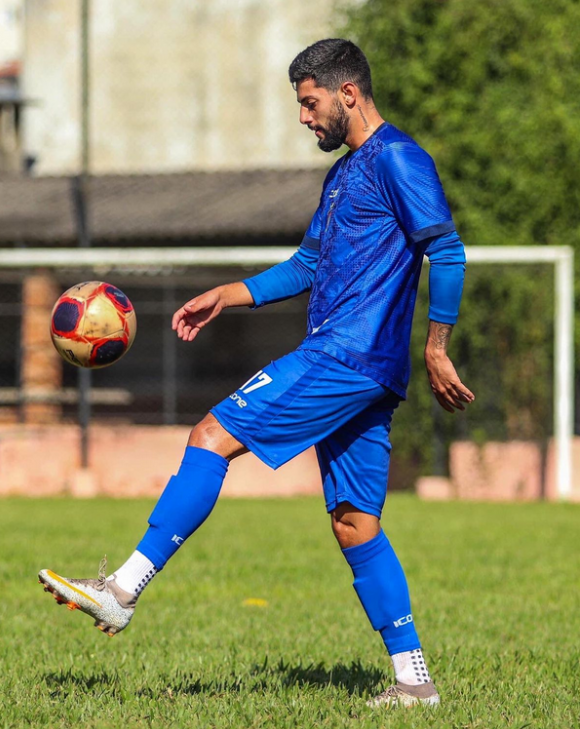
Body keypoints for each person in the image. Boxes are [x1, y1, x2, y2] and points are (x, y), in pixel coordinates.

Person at [39, 38, 474, 708]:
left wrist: (437, 347)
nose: (304, 118)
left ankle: (122, 587)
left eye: (310, 103)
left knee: (211, 433)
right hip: (363, 368)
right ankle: (414, 679)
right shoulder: (345, 174)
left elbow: (445, 248)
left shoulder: (399, 160)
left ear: (348, 93)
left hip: (344, 356)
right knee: (356, 522)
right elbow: (306, 266)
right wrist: (229, 293)